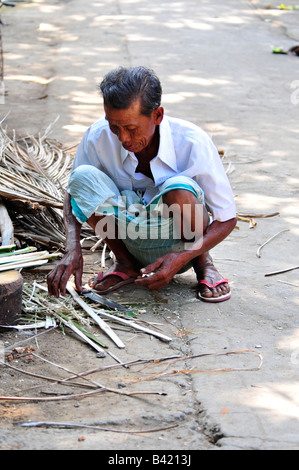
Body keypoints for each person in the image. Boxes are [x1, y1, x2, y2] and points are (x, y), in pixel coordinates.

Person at [47, 66, 237, 302]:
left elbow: (226, 217)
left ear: (157, 116)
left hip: (182, 245)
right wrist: (72, 248)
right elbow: (75, 191)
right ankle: (125, 263)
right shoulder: (98, 136)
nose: (123, 138)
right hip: (128, 234)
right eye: (114, 127)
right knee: (83, 176)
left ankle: (203, 263)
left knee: (178, 188)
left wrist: (182, 256)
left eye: (131, 128)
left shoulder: (192, 142)